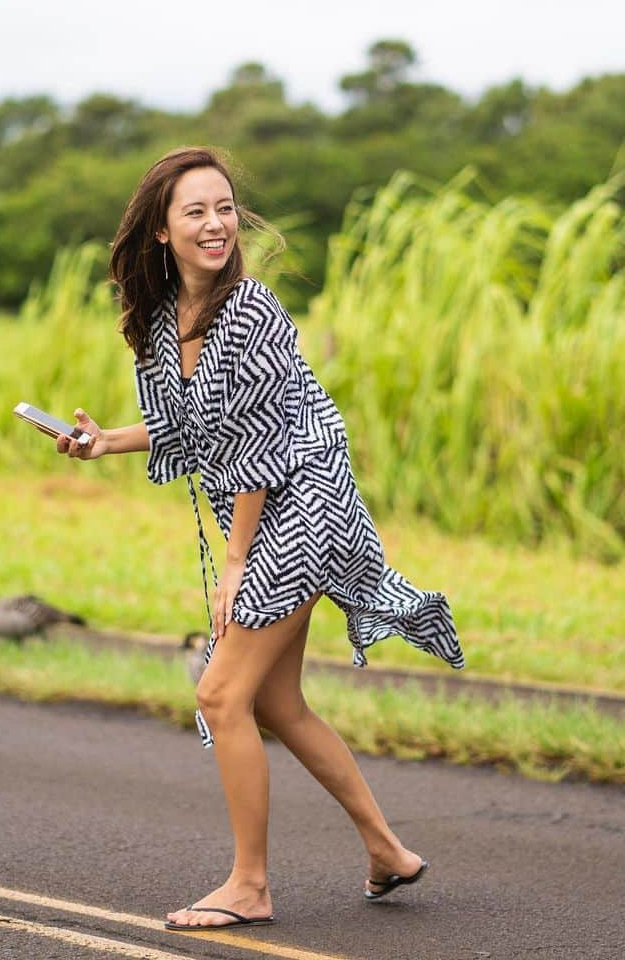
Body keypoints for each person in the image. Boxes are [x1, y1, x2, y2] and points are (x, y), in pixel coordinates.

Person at [55, 146, 464, 932]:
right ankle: (387, 850)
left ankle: (249, 885)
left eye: (224, 207)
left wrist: (236, 564)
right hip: (274, 503)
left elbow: (263, 448)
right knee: (274, 698)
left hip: (304, 503)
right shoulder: (160, 321)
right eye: (195, 212)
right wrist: (107, 440)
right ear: (160, 234)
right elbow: (192, 424)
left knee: (219, 691)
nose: (216, 224)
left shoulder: (253, 313)